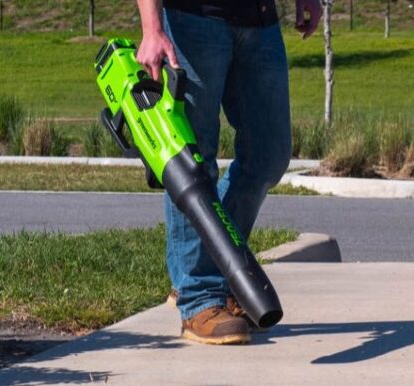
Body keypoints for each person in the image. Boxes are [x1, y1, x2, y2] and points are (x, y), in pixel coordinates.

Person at [134, 0, 322, 345]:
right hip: (192, 19)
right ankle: (199, 297)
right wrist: (151, 26)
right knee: (192, 164)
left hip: (259, 19)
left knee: (268, 154)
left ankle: (219, 268)